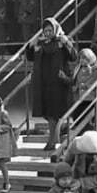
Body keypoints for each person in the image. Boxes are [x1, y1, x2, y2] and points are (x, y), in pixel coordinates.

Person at [26, 18, 78, 150]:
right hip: (43, 83)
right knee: (47, 113)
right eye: (45, 30)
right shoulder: (42, 43)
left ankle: (53, 141)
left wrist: (66, 42)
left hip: (58, 83)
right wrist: (32, 44)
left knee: (55, 113)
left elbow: (73, 56)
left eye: (50, 30)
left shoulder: (62, 41)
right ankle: (55, 138)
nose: (48, 33)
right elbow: (30, 56)